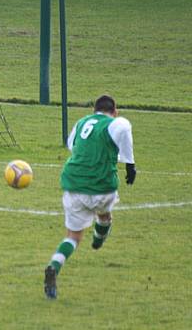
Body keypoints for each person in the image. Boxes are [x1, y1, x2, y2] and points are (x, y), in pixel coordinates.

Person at [44, 95, 136, 299]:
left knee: (73, 237)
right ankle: (98, 239)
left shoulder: (81, 122)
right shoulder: (113, 123)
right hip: (102, 187)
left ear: (94, 109)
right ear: (115, 111)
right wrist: (130, 164)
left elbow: (71, 146)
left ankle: (54, 265)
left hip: (73, 183)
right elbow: (124, 127)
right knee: (105, 216)